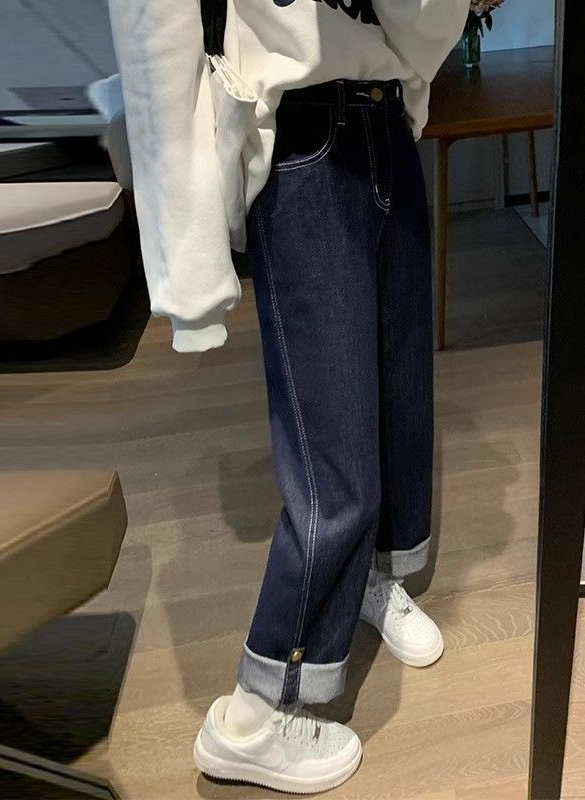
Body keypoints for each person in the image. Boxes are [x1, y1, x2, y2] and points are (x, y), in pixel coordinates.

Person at [108, 0, 469, 792]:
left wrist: (411, 93)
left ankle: (371, 577)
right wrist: (186, 268)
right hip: (302, 133)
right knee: (334, 453)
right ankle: (255, 714)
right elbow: (152, 30)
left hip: (386, 120)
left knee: (399, 399)